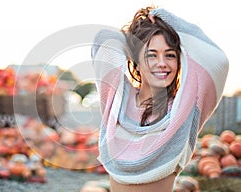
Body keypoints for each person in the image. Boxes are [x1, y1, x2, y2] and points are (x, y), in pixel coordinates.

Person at [91, 6, 229, 192]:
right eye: (151, 55)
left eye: (170, 55)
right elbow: (103, 41)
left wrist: (167, 18)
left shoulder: (186, 108)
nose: (162, 63)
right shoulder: (116, 100)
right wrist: (140, 29)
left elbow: (218, 59)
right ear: (136, 62)